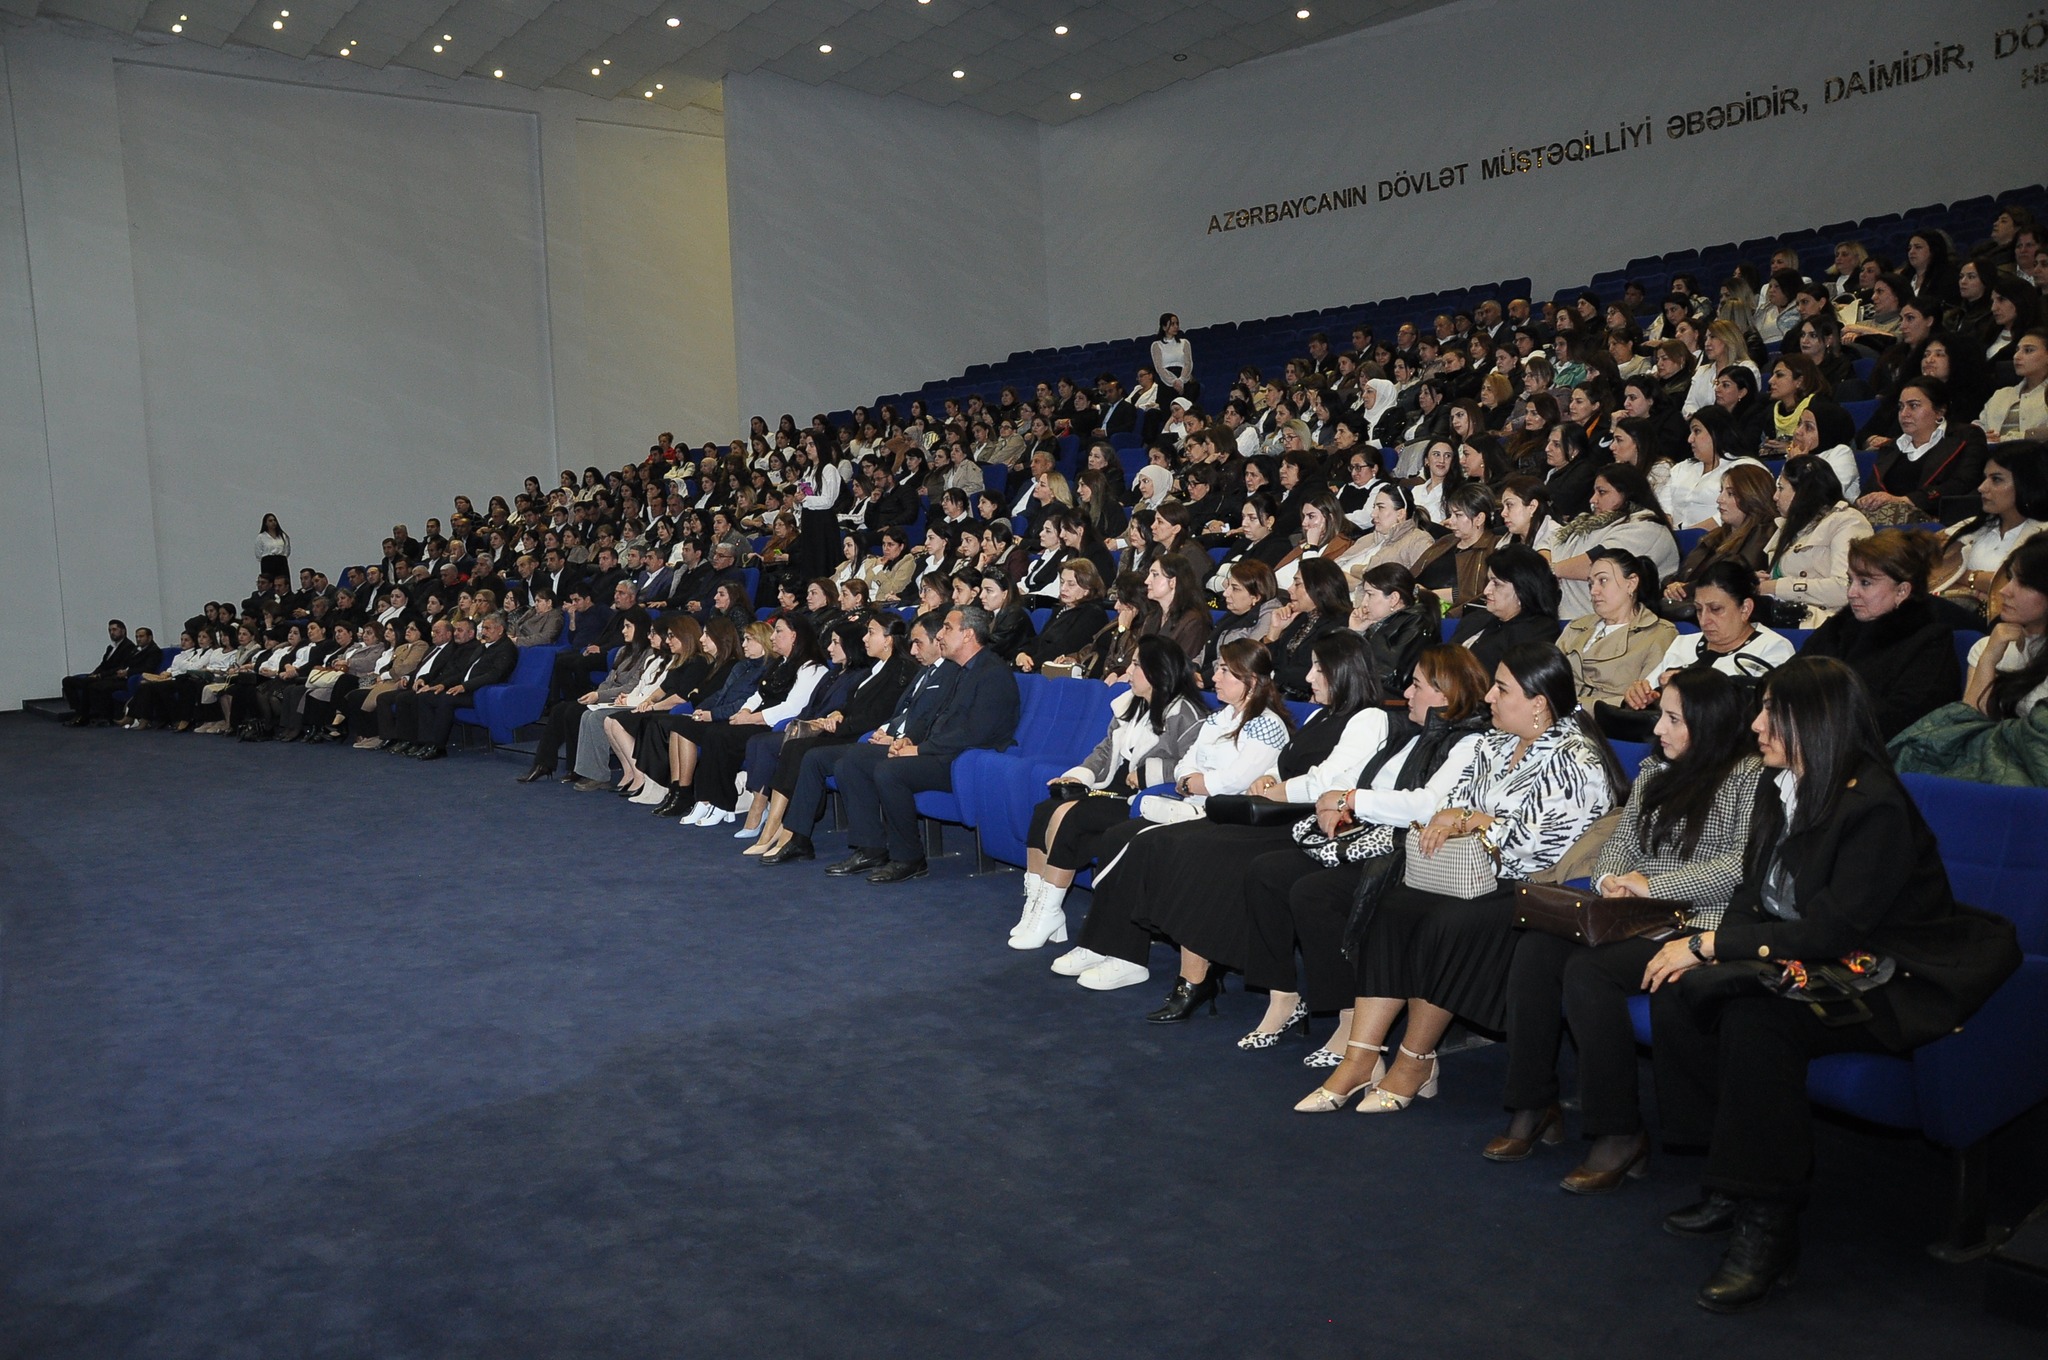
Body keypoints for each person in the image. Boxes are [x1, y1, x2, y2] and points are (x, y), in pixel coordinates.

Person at [1645, 658, 2018, 1313]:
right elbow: (1752, 894)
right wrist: (1709, 955)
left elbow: (1834, 931)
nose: (1756, 725)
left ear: (1814, 722)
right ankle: (1730, 1180)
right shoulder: (1779, 783)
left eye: (1772, 712)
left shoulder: (1873, 805)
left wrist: (1712, 945)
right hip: (1807, 957)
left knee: (1758, 1018)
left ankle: (1769, 1226)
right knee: (1686, 988)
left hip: (1883, 974)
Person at [1492, 669, 1762, 1187]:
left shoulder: (1747, 776)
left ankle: (1619, 1131)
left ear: (1708, 723)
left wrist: (1650, 885)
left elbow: (1740, 867)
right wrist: (1611, 879)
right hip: (1635, 912)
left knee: (1589, 971)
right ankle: (1533, 1103)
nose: (1657, 729)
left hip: (1697, 921)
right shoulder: (1657, 769)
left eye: (1673, 719)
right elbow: (1620, 840)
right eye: (1662, 715)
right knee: (1536, 947)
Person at [1330, 643, 1626, 1114]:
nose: (1488, 697)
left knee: (1444, 924)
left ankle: (1414, 1061)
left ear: (1538, 703)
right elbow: (1449, 808)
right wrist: (1472, 820)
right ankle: (1359, 1058)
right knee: (1391, 906)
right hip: (1473, 872)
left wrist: (1470, 820)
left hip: (1533, 887)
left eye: (1501, 689)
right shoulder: (1495, 743)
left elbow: (1533, 847)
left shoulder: (1576, 760)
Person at [1238, 646, 1494, 1070]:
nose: (1406, 693)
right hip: (1362, 836)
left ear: (1446, 693)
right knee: (1267, 871)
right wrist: (1332, 802)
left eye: (1417, 685)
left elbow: (1425, 805)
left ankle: (1352, 1022)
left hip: (1404, 852)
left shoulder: (1468, 742)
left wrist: (1351, 800)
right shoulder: (1409, 732)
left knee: (1314, 894)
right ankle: (1283, 997)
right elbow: (1361, 781)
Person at [1058, 639, 1295, 994]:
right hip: (1194, 805)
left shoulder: (1266, 724)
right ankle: (1098, 943)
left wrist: (1198, 781)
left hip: (1227, 817)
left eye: (1225, 671)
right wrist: (1190, 780)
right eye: (1218, 668)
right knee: (1117, 836)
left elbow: (1234, 781)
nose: (1214, 677)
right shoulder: (1220, 717)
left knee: (1137, 844)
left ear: (1251, 679)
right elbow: (1186, 763)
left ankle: (1127, 956)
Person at [1009, 635, 1210, 950]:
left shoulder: (1186, 714)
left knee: (1070, 816)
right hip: (1113, 786)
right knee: (1045, 809)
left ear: (1157, 671)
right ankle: (1036, 906)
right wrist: (1077, 776)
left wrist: (1148, 774)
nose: (1129, 671)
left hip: (1146, 798)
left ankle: (1049, 911)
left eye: (1136, 664)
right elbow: (1104, 751)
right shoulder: (1131, 703)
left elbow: (1193, 766)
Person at [824, 605, 1022, 883]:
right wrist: (908, 739)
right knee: (854, 760)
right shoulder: (961, 670)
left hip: (965, 760)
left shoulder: (992, 674)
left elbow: (974, 734)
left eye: (947, 628)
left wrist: (918, 749)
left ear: (968, 635)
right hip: (939, 751)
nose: (940, 634)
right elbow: (934, 717)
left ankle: (909, 858)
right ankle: (870, 849)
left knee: (890, 772)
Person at [759, 617, 956, 865]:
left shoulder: (906, 671)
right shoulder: (898, 670)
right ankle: (798, 838)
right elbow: (894, 712)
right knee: (812, 757)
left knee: (841, 759)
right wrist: (842, 715)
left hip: (882, 739)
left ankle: (871, 848)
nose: (864, 638)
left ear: (888, 640)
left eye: (871, 632)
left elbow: (894, 714)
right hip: (878, 735)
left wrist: (894, 736)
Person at [1893, 535, 2048, 781]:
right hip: (1993, 771)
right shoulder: (1989, 646)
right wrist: (1989, 659)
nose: (2005, 591)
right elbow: (1966, 729)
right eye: (2010, 578)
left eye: (2025, 584)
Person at [1796, 530, 1960, 739]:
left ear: (1902, 591)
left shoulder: (1930, 642)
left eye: (1865, 583)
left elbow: (1902, 721)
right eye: (1850, 581)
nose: (1851, 593)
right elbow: (1793, 676)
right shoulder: (1841, 626)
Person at [1549, 464, 1680, 620]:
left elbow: (1598, 566)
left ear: (1627, 493)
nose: (1593, 500)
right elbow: (1551, 545)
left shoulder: (1647, 528)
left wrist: (1550, 570)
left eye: (1602, 492)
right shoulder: (1590, 523)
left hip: (1607, 621)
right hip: (1567, 617)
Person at [1932, 442, 2048, 619]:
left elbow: (2029, 591)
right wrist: (1977, 587)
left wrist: (1963, 577)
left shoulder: (2043, 537)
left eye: (1996, 479)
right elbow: (1926, 567)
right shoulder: (1973, 525)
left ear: (2027, 483)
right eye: (1985, 478)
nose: (1982, 488)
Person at [1555, 548, 1678, 708]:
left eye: (1603, 580)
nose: (1594, 591)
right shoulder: (1576, 626)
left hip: (1606, 718)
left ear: (1631, 584)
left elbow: (1645, 700)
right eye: (1591, 583)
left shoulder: (1658, 634)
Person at [1758, 459, 1872, 627]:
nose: (1775, 496)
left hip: (1825, 623)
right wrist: (1760, 582)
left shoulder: (1847, 521)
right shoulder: (1790, 525)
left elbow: (1846, 588)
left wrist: (1775, 587)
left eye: (1781, 488)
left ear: (1803, 492)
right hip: (1782, 615)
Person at [1861, 378, 1989, 525]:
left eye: (1913, 406)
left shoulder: (1967, 436)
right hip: (1885, 524)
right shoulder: (1890, 447)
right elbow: (1869, 490)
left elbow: (1964, 483)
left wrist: (1906, 500)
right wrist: (1866, 500)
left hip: (1938, 522)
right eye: (1901, 407)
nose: (1904, 413)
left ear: (1940, 411)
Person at [1664, 464, 1778, 612]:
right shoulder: (1715, 536)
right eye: (1721, 491)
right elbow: (1682, 574)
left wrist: (1685, 589)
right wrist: (1671, 586)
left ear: (1752, 497)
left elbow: (1732, 578)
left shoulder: (1764, 533)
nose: (1719, 499)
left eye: (1730, 494)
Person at [1448, 544, 1563, 675]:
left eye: (1496, 584)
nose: (1486, 591)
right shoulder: (1476, 618)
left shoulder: (1538, 631)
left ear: (1522, 590)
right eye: (1488, 581)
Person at [1351, 562, 1439, 696]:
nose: (1364, 603)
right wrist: (1356, 632)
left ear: (1393, 599)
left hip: (1384, 698)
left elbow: (1386, 675)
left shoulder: (1416, 623)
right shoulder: (1378, 623)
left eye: (1370, 595)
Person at [1019, 560, 1110, 673]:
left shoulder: (1093, 614)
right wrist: (1023, 654)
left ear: (1087, 589)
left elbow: (1063, 648)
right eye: (1062, 582)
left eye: (1071, 584)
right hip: (1040, 666)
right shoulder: (1062, 609)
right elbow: (1041, 640)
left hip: (1058, 671)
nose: (1063, 588)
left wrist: (1031, 663)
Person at [61, 619, 140, 726]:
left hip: (114, 678)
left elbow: (120, 668)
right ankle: (78, 710)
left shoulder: (128, 647)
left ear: (123, 631)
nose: (112, 632)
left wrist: (99, 675)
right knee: (67, 681)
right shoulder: (110, 648)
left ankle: (83, 715)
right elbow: (103, 665)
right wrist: (93, 674)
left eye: (114, 629)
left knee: (89, 684)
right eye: (110, 630)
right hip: (103, 676)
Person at [256, 513, 290, 582]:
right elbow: (258, 553)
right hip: (268, 563)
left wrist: (281, 558)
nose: (273, 522)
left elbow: (287, 550)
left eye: (274, 520)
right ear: (265, 523)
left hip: (281, 562)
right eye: (270, 521)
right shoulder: (261, 537)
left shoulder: (283, 536)